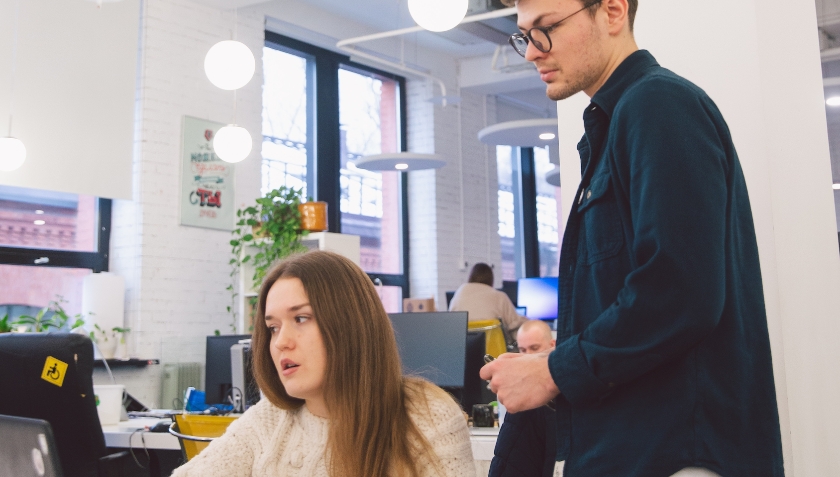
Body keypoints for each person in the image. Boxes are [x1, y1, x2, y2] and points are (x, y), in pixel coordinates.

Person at [480, 1, 784, 476]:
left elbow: (679, 291)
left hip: (676, 454)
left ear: (614, 11)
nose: (531, 53)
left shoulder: (657, 105)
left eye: (546, 30)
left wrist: (554, 370)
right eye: (524, 35)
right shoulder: (618, 123)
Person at [172, 251, 476, 477]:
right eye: (273, 327)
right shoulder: (270, 418)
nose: (280, 342)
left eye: (301, 318)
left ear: (351, 324)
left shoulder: (426, 416)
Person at [449, 263, 526, 334]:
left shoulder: (458, 295)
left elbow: (452, 325)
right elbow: (515, 323)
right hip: (495, 347)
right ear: (491, 279)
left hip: (464, 347)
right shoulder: (499, 296)